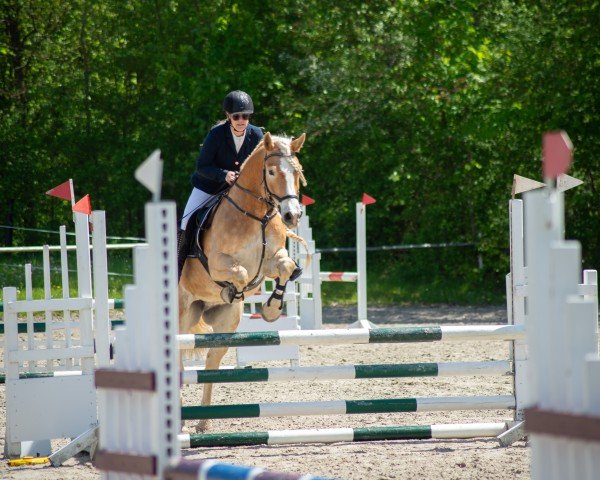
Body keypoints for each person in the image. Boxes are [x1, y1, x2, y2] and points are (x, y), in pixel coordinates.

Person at [177, 90, 264, 280]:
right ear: (228, 116)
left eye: (246, 116)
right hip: (209, 187)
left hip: (241, 190)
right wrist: (224, 175)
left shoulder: (257, 134)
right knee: (186, 220)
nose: (241, 120)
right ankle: (178, 268)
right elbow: (202, 166)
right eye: (237, 116)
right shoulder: (216, 134)